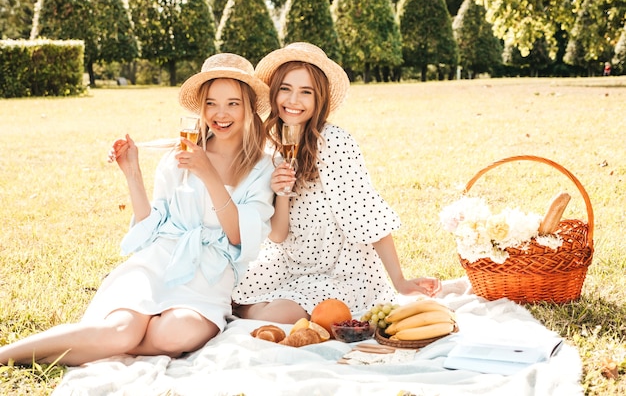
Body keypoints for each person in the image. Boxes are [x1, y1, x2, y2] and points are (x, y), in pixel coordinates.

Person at [0, 53, 274, 366]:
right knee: (120, 331)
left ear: (249, 108)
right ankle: (7, 356)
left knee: (173, 335)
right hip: (159, 261)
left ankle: (100, 341)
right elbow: (150, 228)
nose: (220, 113)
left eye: (232, 103)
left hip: (209, 280)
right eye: (211, 103)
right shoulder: (179, 157)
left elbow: (239, 235)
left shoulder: (261, 168)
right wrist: (132, 172)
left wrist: (208, 174)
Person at [232, 42, 441, 324]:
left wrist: (400, 281)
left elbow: (368, 215)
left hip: (339, 269)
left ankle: (279, 307)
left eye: (306, 92)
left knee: (270, 319)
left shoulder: (335, 144)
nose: (294, 100)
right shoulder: (269, 146)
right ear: (273, 92)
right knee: (230, 299)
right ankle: (270, 305)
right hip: (288, 262)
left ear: (320, 99)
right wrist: (281, 192)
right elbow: (278, 235)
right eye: (286, 88)